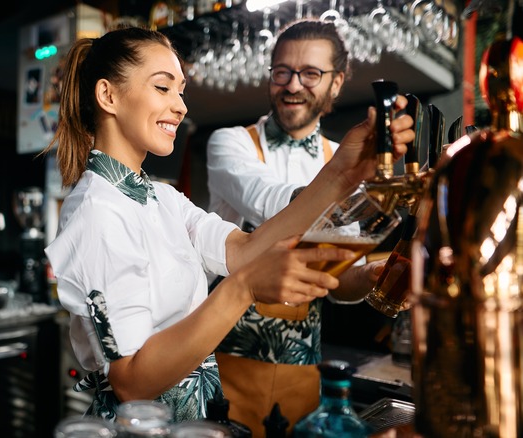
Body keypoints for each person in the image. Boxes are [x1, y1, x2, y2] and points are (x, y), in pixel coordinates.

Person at [43, 26, 413, 425]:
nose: (181, 106)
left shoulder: (160, 197)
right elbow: (131, 383)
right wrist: (245, 286)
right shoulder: (97, 211)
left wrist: (341, 173)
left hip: (194, 423)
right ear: (108, 96)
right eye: (163, 88)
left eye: (181, 91)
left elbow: (242, 250)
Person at [205, 19, 388, 436]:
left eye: (310, 73)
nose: (292, 85)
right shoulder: (230, 143)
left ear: (337, 83)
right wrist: (344, 181)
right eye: (282, 71)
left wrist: (368, 277)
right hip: (221, 361)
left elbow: (335, 279)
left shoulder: (340, 156)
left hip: (303, 370)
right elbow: (270, 202)